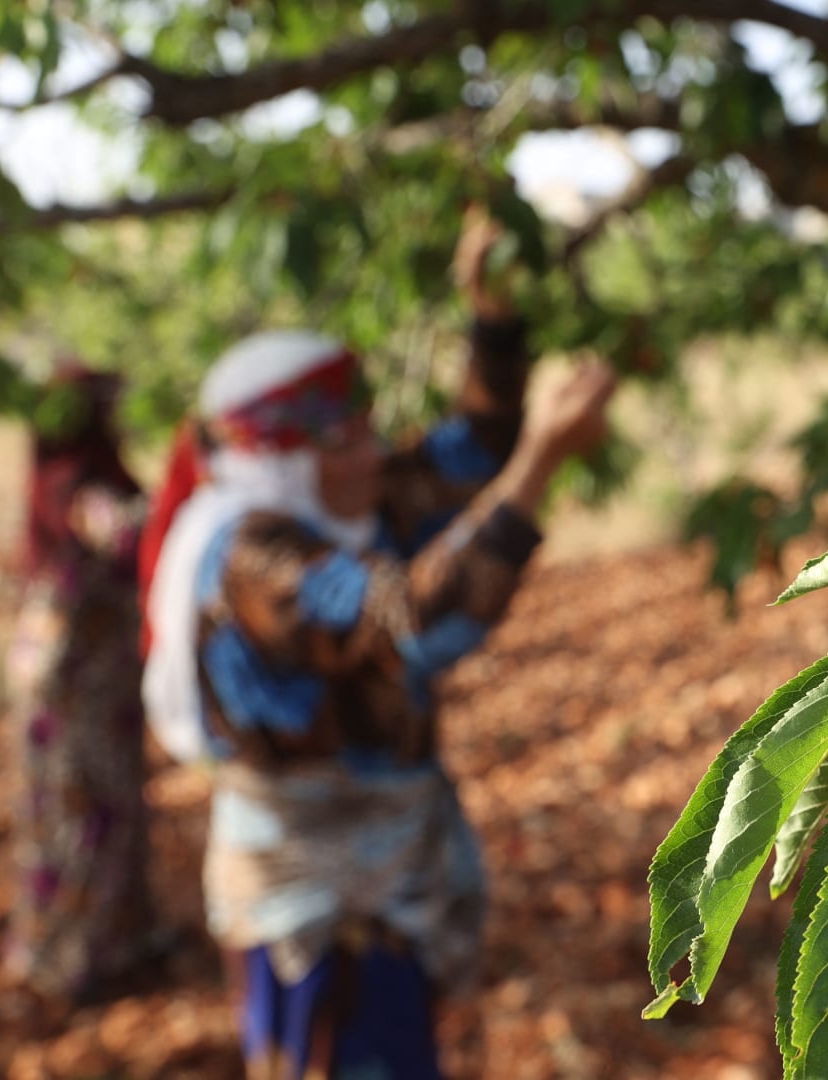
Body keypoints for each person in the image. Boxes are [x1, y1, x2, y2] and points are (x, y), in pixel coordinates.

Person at [140, 216, 616, 1079]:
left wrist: (493, 314)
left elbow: (466, 454)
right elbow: (410, 625)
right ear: (282, 456)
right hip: (320, 900)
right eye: (345, 439)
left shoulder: (335, 501)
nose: (374, 455)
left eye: (367, 428)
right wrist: (542, 461)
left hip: (381, 879)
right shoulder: (255, 561)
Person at [4, 365, 155, 1001]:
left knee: (87, 810)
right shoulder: (81, 487)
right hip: (78, 685)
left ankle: (103, 944)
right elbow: (124, 529)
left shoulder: (62, 479)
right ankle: (76, 960)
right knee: (85, 815)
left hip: (72, 674)